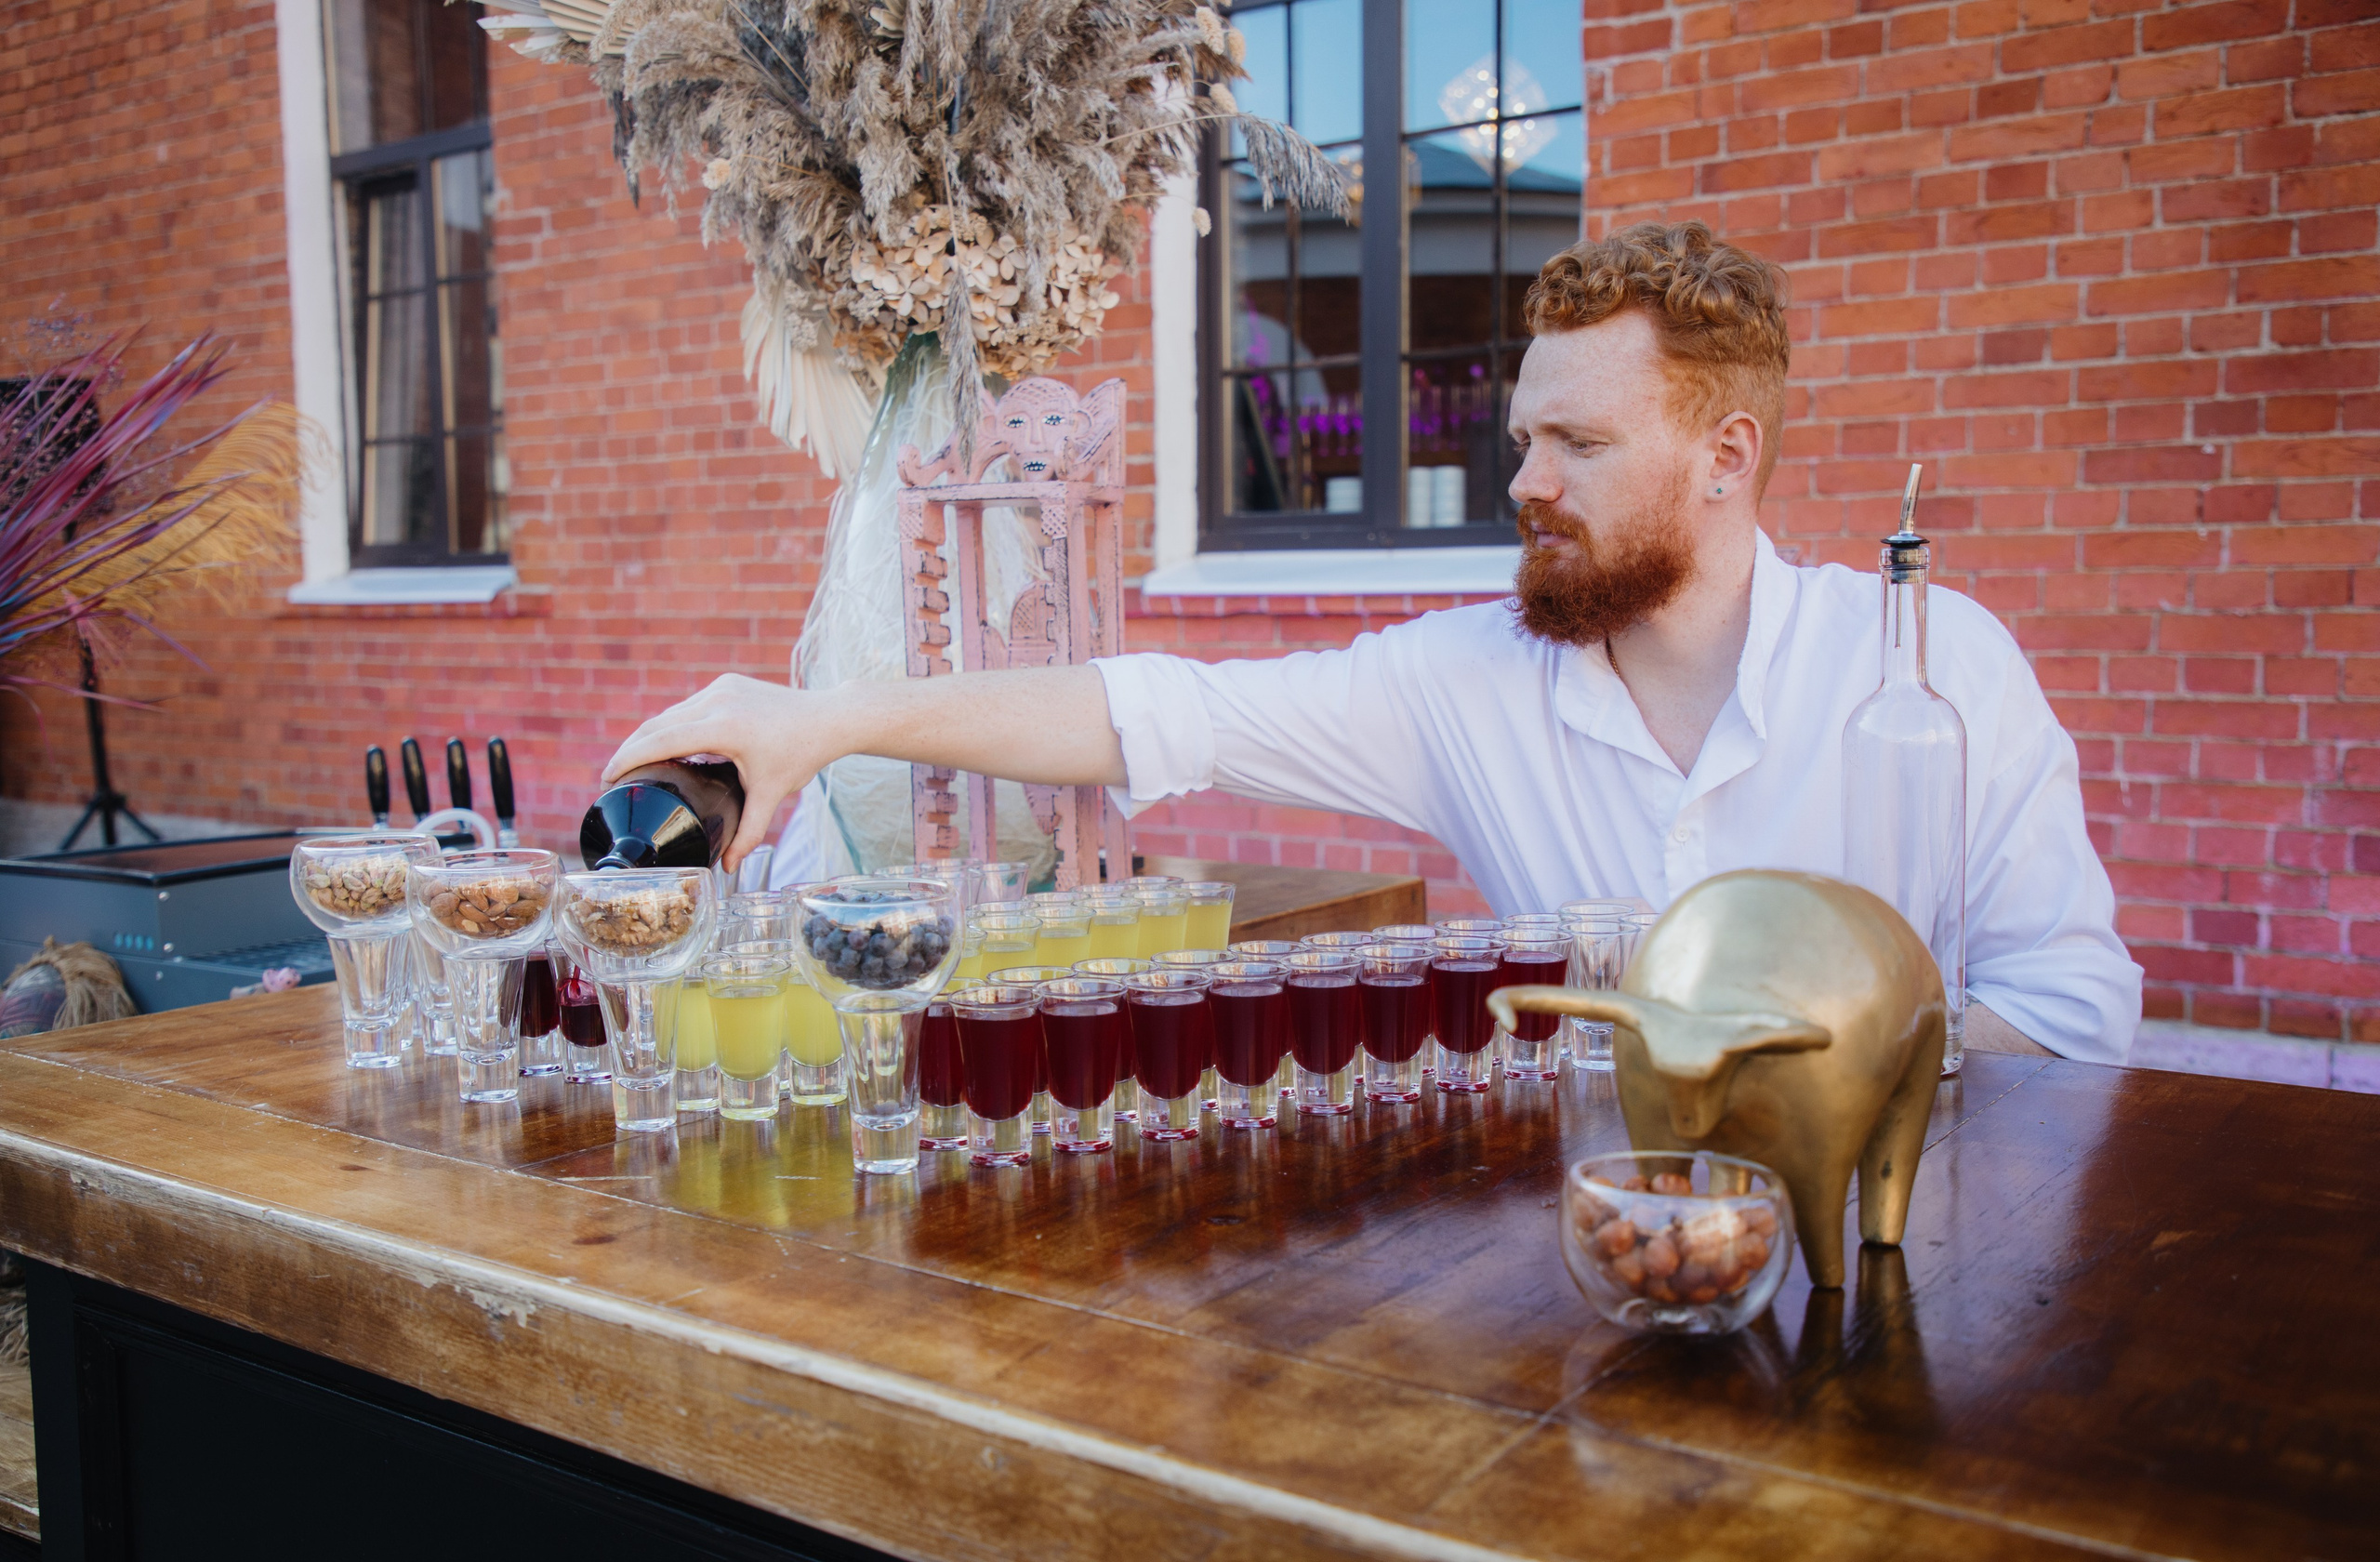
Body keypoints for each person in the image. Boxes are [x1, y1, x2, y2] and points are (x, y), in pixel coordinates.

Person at [606, 222, 2142, 1066]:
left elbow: (2078, 1009)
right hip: (1603, 1264)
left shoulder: (1939, 670)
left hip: (1905, 1251)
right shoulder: (1470, 679)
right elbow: (1154, 711)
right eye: (1523, 438)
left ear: (1727, 457)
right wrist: (821, 717)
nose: (1526, 481)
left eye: (1581, 444)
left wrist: (1808, 1064)